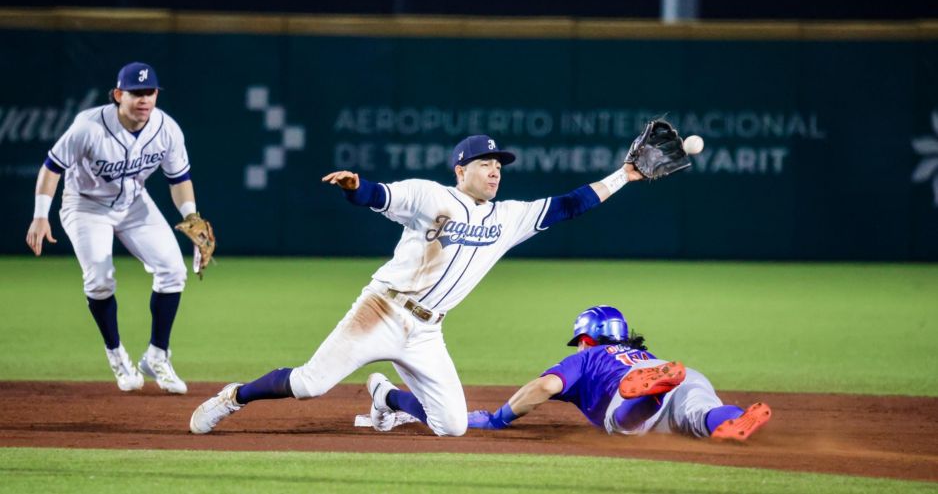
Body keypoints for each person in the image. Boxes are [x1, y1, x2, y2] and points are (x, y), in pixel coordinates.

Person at [189, 134, 647, 435]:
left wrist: (624, 175)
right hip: (382, 311)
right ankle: (233, 397)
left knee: (452, 426)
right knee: (310, 384)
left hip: (428, 331)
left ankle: (385, 396)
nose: (494, 170)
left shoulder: (511, 217)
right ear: (460, 170)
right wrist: (356, 186)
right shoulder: (432, 196)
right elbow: (380, 195)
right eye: (484, 163)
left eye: (498, 165)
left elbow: (572, 204)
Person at [25, 62, 202, 395]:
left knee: (174, 271)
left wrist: (191, 217)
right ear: (119, 94)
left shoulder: (166, 129)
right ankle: (116, 354)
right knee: (100, 279)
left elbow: (179, 179)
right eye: (136, 93)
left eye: (149, 92)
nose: (144, 100)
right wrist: (40, 215)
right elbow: (52, 167)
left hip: (135, 204)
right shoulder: (87, 127)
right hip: (86, 206)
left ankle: (157, 356)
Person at [454, 305, 771, 441]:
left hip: (632, 387)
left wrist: (499, 418)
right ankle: (735, 417)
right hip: (683, 374)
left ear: (586, 338)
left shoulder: (588, 357)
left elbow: (546, 386)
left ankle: (652, 394)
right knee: (703, 416)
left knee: (621, 426)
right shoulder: (642, 353)